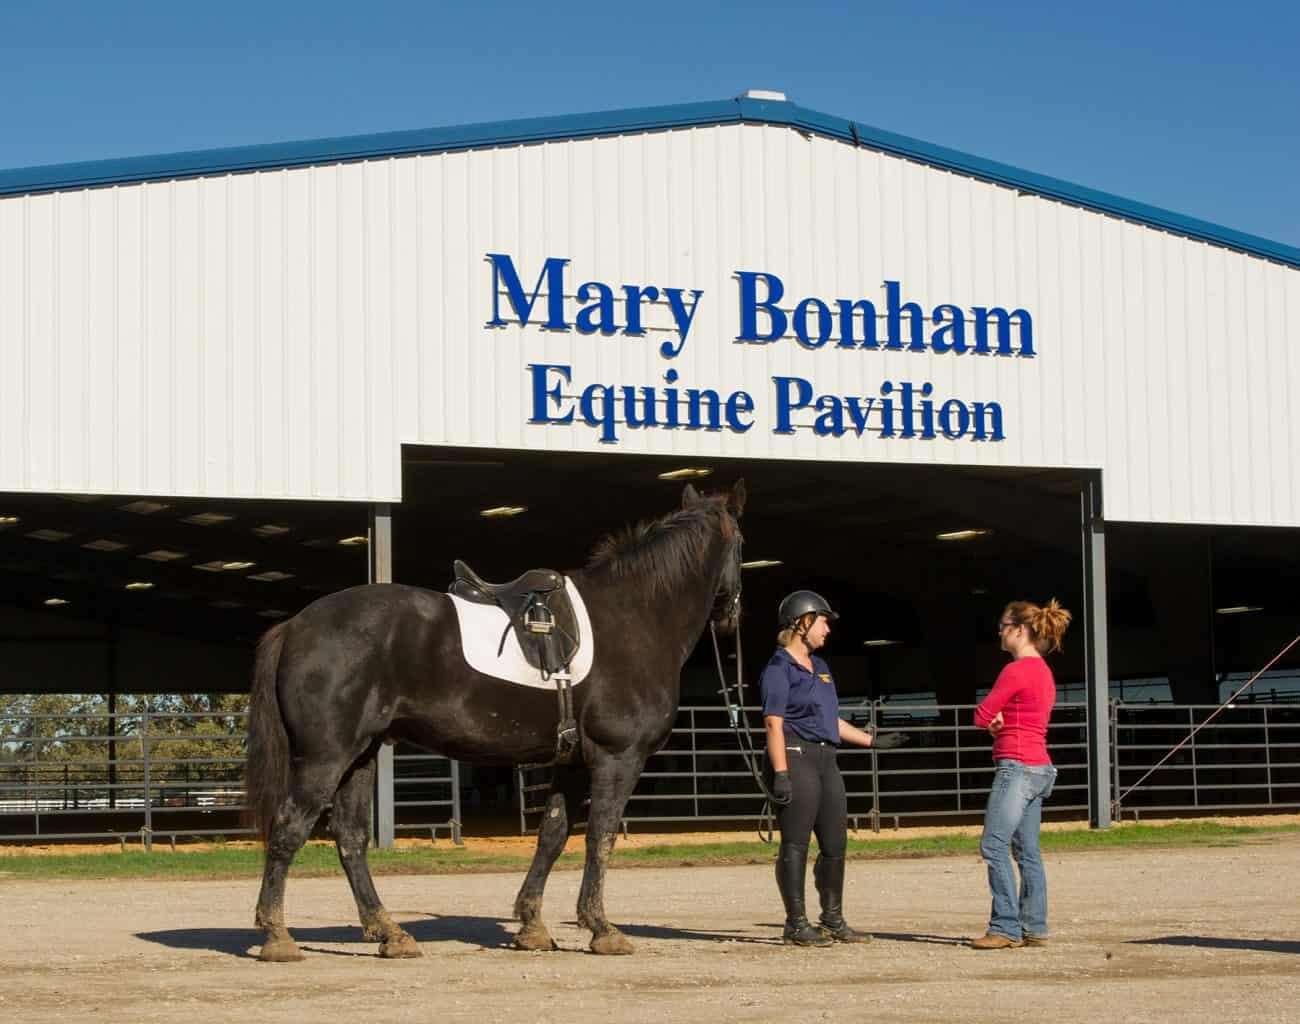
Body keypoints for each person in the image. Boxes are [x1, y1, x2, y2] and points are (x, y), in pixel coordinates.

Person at [760, 590, 908, 946]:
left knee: (835, 843)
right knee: (795, 843)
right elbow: (773, 724)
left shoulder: (821, 668)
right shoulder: (778, 669)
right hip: (796, 755)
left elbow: (831, 720)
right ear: (803, 622)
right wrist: (780, 773)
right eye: (823, 621)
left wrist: (871, 741)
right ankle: (795, 922)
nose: (827, 629)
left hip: (826, 759)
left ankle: (833, 918)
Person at [970, 598, 1072, 950]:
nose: (999, 631)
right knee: (1028, 850)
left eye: (1003, 625)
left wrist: (993, 723)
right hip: (1040, 766)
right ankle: (1035, 925)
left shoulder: (1015, 670)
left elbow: (982, 716)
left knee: (993, 845)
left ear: (1019, 629)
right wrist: (1003, 722)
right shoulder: (1043, 671)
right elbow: (1026, 717)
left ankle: (1005, 926)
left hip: (1016, 765)